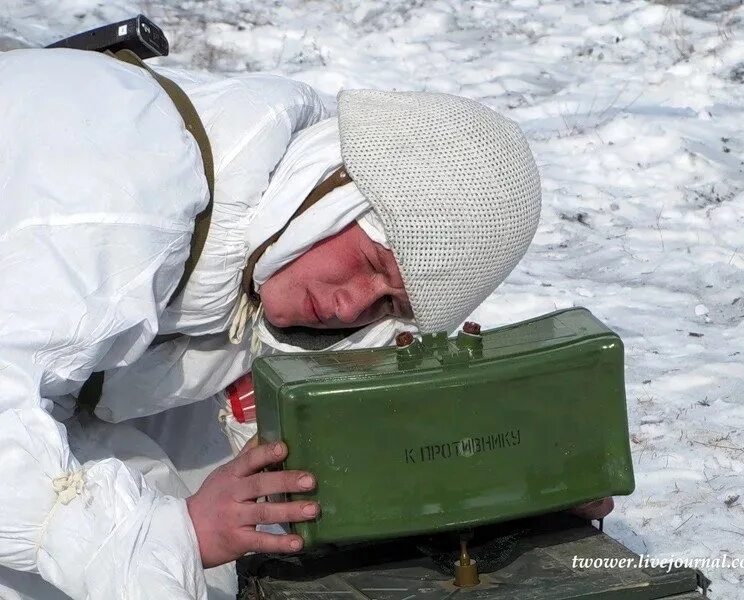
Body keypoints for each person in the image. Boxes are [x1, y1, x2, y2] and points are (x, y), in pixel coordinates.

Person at [0, 46, 604, 600]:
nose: (348, 309)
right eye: (370, 263)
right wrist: (168, 535)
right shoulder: (123, 204)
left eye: (388, 303)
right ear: (337, 184)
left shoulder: (268, 224)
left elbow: (301, 434)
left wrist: (505, 484)